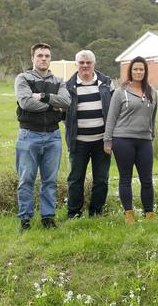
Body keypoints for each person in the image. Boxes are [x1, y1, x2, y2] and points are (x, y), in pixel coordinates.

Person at [15, 43, 70, 231]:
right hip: (29, 135)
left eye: (47, 55)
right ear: (33, 58)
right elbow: (26, 103)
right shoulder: (23, 78)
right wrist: (53, 106)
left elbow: (66, 102)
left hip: (53, 136)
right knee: (26, 179)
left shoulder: (59, 81)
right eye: (40, 56)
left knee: (50, 181)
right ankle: (25, 219)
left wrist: (43, 96)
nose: (44, 59)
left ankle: (48, 218)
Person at [104, 56, 158, 224]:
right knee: (125, 178)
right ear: (130, 71)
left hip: (144, 141)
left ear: (145, 71)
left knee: (147, 179)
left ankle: (149, 213)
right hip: (123, 140)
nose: (138, 72)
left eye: (141, 69)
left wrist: (151, 135)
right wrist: (108, 140)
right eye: (135, 69)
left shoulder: (152, 92)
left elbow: (153, 117)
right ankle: (128, 213)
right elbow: (111, 117)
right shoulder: (121, 92)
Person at [64, 50, 114, 218]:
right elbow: (64, 114)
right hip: (78, 142)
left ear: (94, 63)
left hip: (102, 141)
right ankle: (74, 213)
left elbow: (114, 110)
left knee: (101, 179)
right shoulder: (67, 86)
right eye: (81, 63)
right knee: (75, 179)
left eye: (88, 62)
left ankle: (96, 212)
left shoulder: (107, 83)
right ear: (76, 64)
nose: (85, 66)